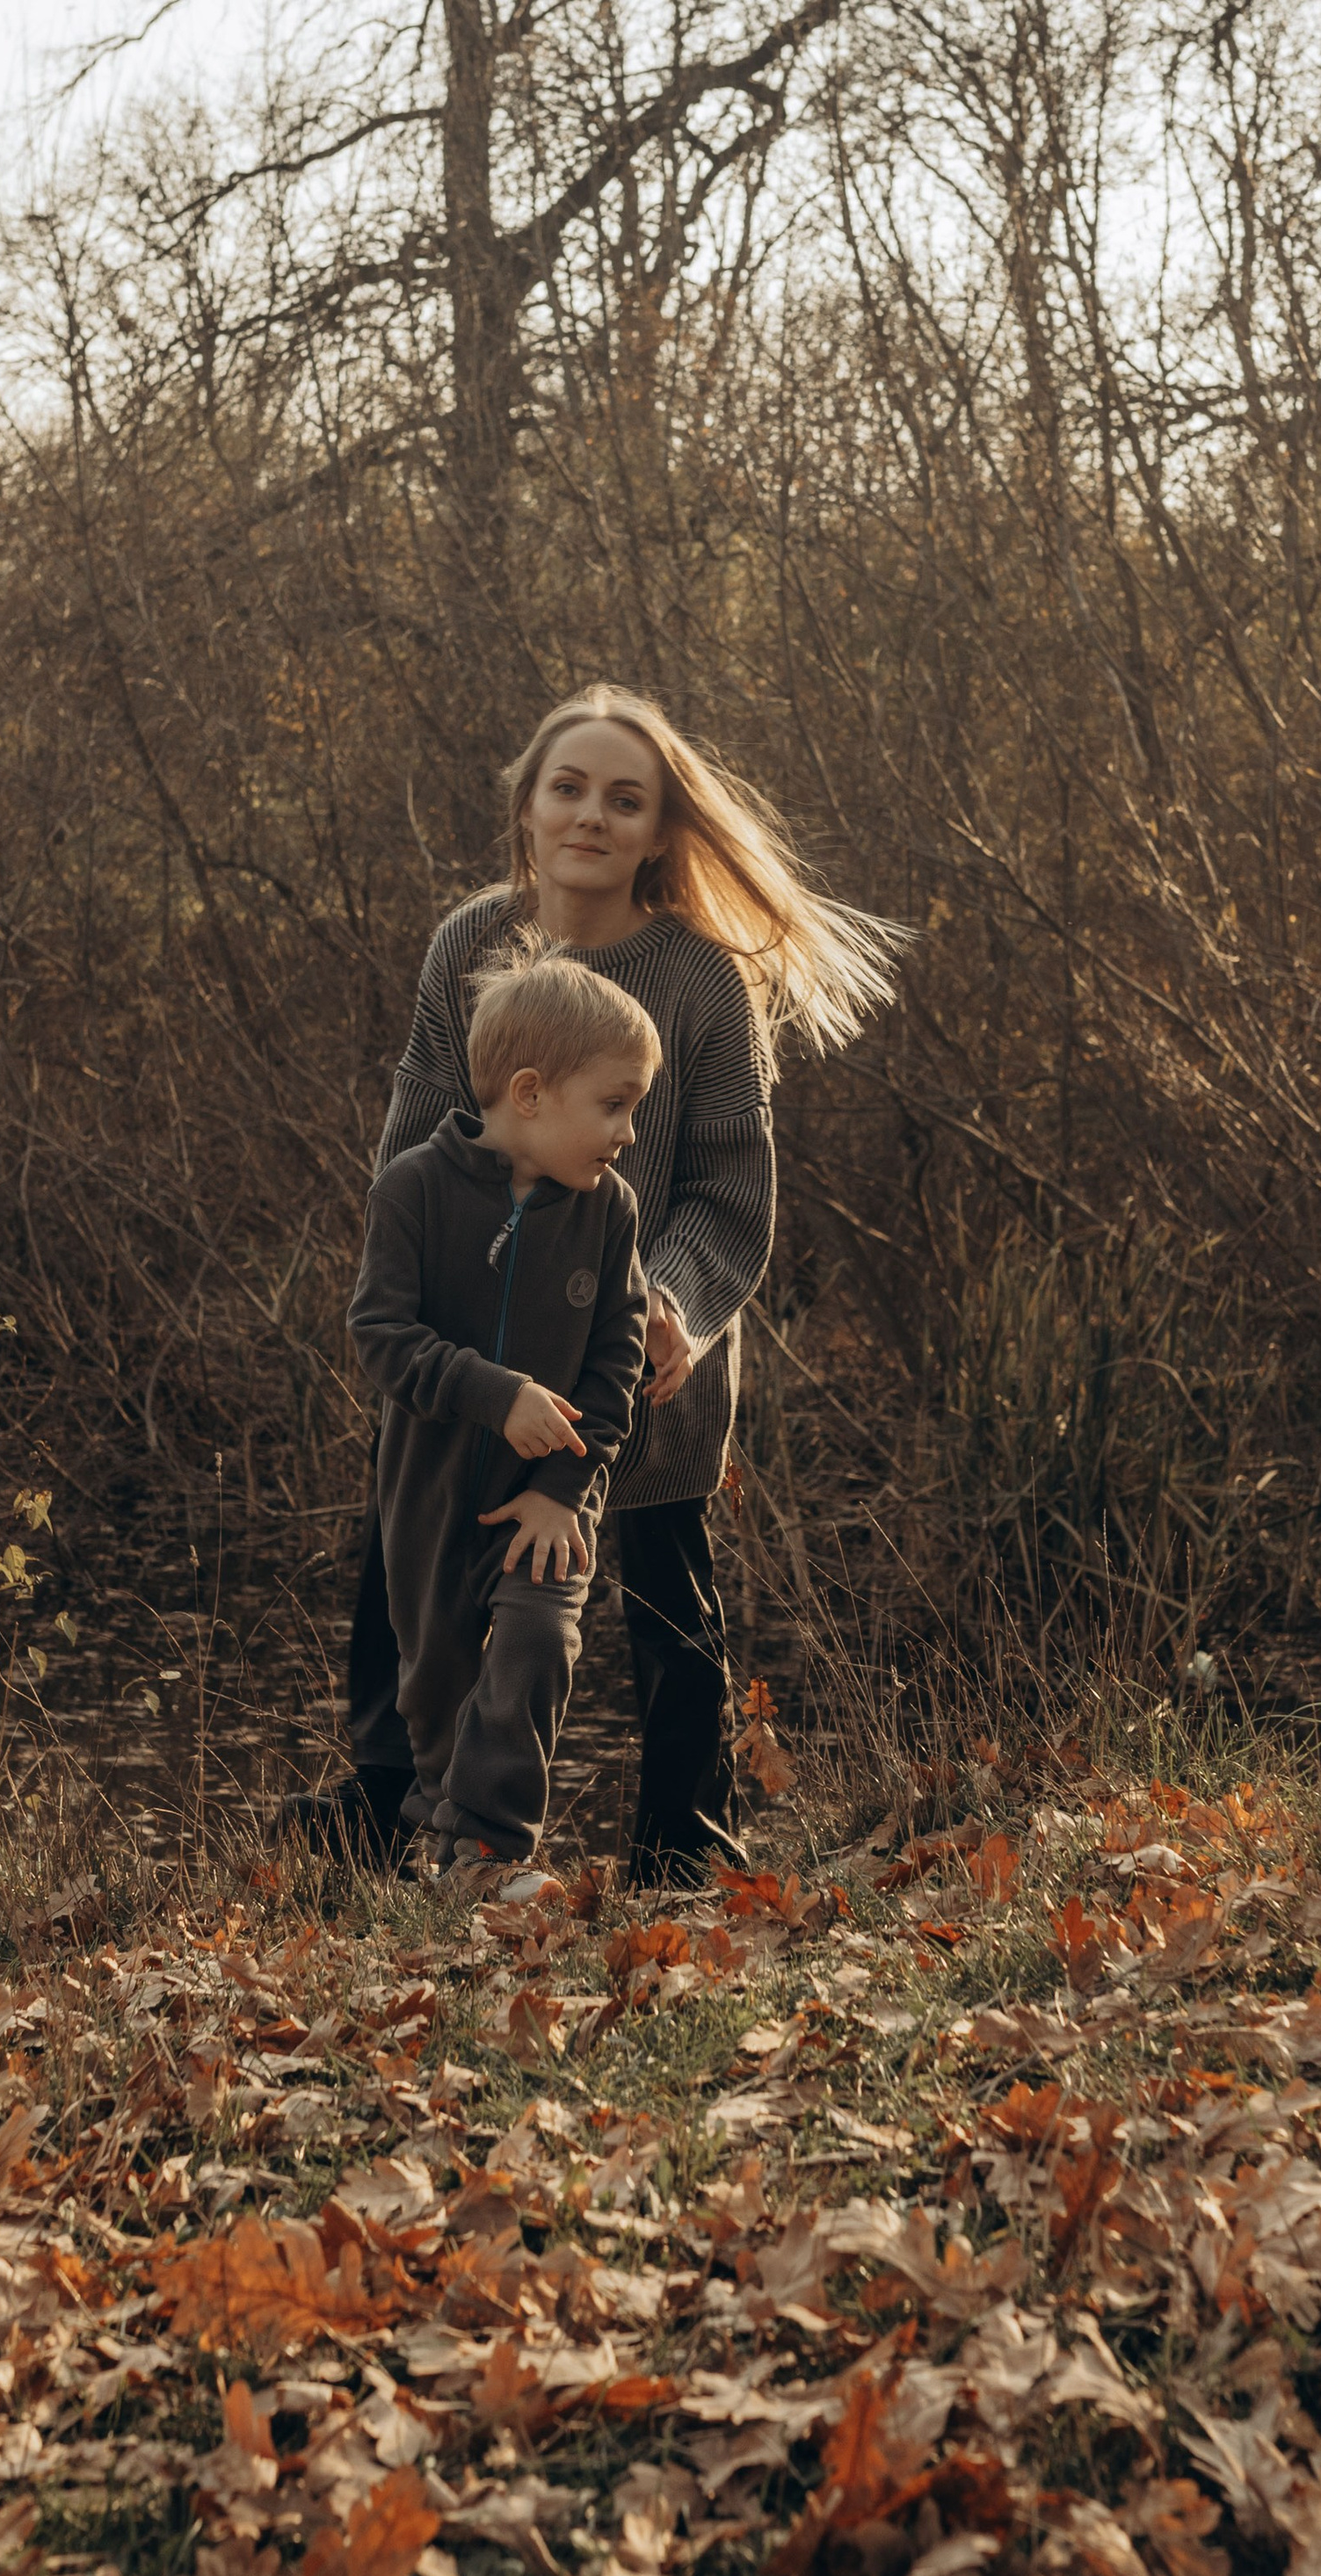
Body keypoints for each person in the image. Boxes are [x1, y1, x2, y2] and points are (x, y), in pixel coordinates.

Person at [297, 683, 903, 1885]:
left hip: (649, 1341)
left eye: (625, 799)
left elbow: (730, 1188)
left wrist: (669, 1300)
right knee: (407, 1564)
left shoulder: (702, 981)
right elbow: (418, 1139)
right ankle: (387, 1812)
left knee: (666, 1584)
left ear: (662, 830)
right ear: (527, 806)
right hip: (476, 1339)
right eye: (568, 789)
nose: (591, 816)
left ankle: (686, 1841)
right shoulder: (469, 944)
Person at [347, 949, 653, 1892]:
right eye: (613, 1105)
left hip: (548, 1498)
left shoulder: (608, 1215)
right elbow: (380, 1335)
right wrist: (494, 1391)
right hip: (430, 1495)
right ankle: (441, 1832)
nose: (629, 1134)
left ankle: (490, 1844)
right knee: (434, 1677)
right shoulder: (413, 1190)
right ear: (528, 1093)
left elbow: (619, 1362)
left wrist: (565, 1488)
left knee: (534, 1644)